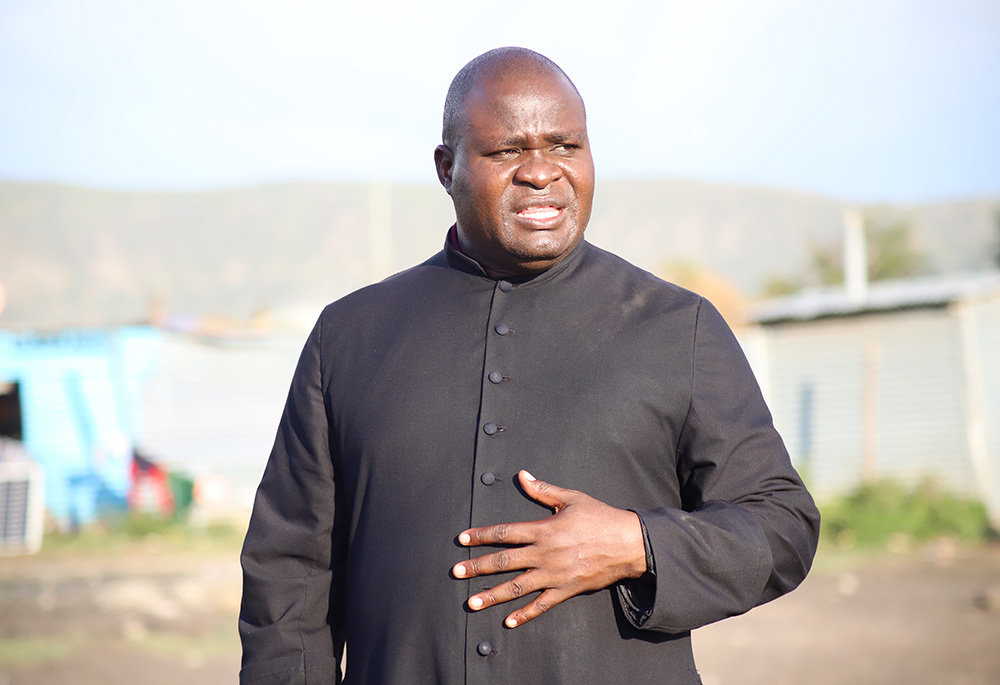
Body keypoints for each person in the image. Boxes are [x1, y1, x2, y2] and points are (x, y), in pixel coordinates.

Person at [239, 47, 820, 685]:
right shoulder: (348, 336)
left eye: (566, 145)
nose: (542, 172)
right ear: (446, 167)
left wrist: (636, 544)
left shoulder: (676, 327)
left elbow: (782, 526)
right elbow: (289, 572)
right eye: (507, 151)